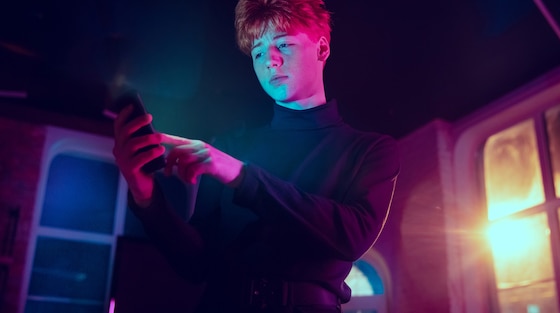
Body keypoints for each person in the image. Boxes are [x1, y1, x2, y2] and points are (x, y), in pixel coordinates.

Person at [112, 0, 400, 312]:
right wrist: (147, 199)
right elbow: (195, 264)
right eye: (258, 52)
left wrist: (241, 176)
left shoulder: (369, 149)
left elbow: (352, 236)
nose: (269, 61)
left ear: (321, 50)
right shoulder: (231, 147)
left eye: (284, 44)